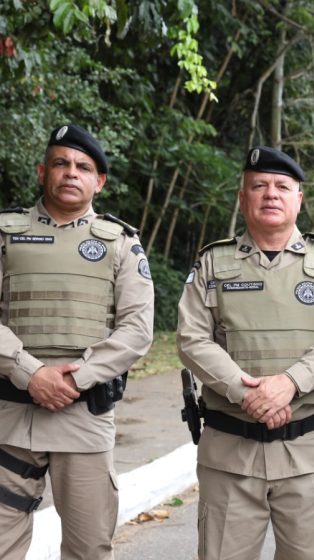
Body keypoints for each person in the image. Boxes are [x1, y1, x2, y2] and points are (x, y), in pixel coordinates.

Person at [176, 146, 314, 560]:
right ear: (242, 198)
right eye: (258, 186)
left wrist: (288, 384)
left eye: (282, 186)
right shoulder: (212, 262)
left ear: (300, 198)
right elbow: (192, 338)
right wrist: (248, 394)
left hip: (306, 450)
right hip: (229, 449)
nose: (271, 194)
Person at [0, 124, 155, 559]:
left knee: (89, 548)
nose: (71, 172)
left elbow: (138, 329)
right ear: (42, 171)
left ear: (99, 181)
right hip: (8, 416)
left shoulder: (122, 243)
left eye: (83, 167)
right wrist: (31, 374)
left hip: (83, 418)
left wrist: (75, 378)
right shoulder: (5, 233)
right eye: (61, 163)